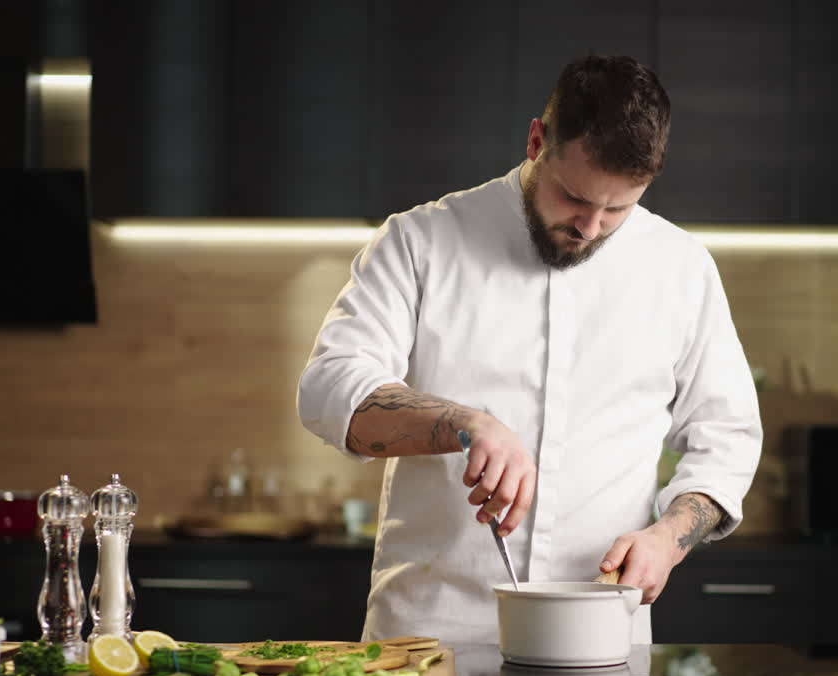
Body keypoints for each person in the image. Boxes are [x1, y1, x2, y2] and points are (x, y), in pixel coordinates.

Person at [298, 54, 762, 645]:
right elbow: (329, 390)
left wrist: (668, 538)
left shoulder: (682, 269)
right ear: (537, 140)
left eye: (618, 208)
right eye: (574, 197)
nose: (591, 227)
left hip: (601, 641)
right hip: (426, 642)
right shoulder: (420, 241)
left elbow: (727, 439)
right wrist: (463, 423)